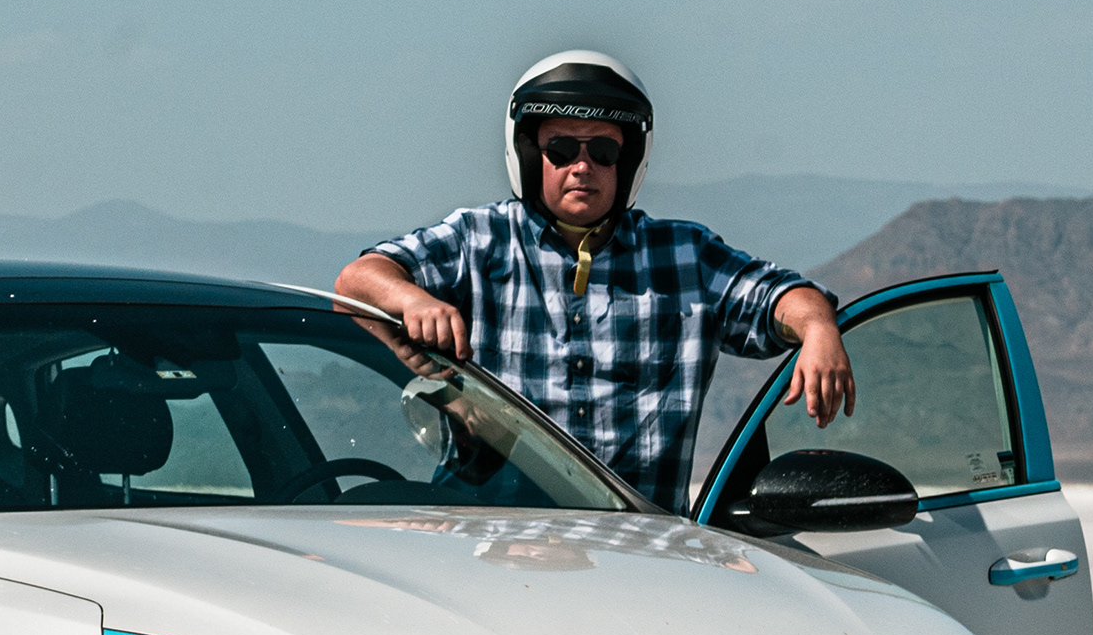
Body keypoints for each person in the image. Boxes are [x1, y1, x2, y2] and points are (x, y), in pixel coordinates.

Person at [332, 51, 855, 511]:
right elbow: (358, 282)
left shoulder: (684, 257)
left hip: (637, 550)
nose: (582, 167)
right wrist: (412, 300)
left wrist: (819, 331)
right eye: (561, 150)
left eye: (602, 152)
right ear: (532, 156)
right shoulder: (479, 240)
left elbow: (780, 296)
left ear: (626, 163)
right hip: (484, 542)